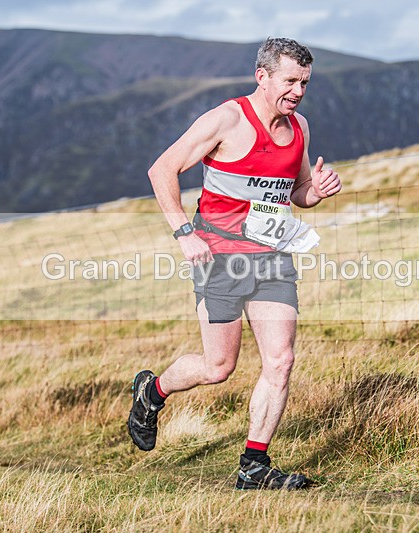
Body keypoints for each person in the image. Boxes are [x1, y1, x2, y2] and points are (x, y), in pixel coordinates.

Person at [128, 37, 341, 490]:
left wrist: (315, 192)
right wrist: (184, 234)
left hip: (271, 257)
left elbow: (296, 192)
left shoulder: (299, 124)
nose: (298, 91)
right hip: (218, 258)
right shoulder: (226, 120)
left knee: (280, 361)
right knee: (217, 367)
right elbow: (161, 170)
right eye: (289, 81)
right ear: (261, 77)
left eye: (304, 82)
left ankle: (254, 467)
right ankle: (152, 391)